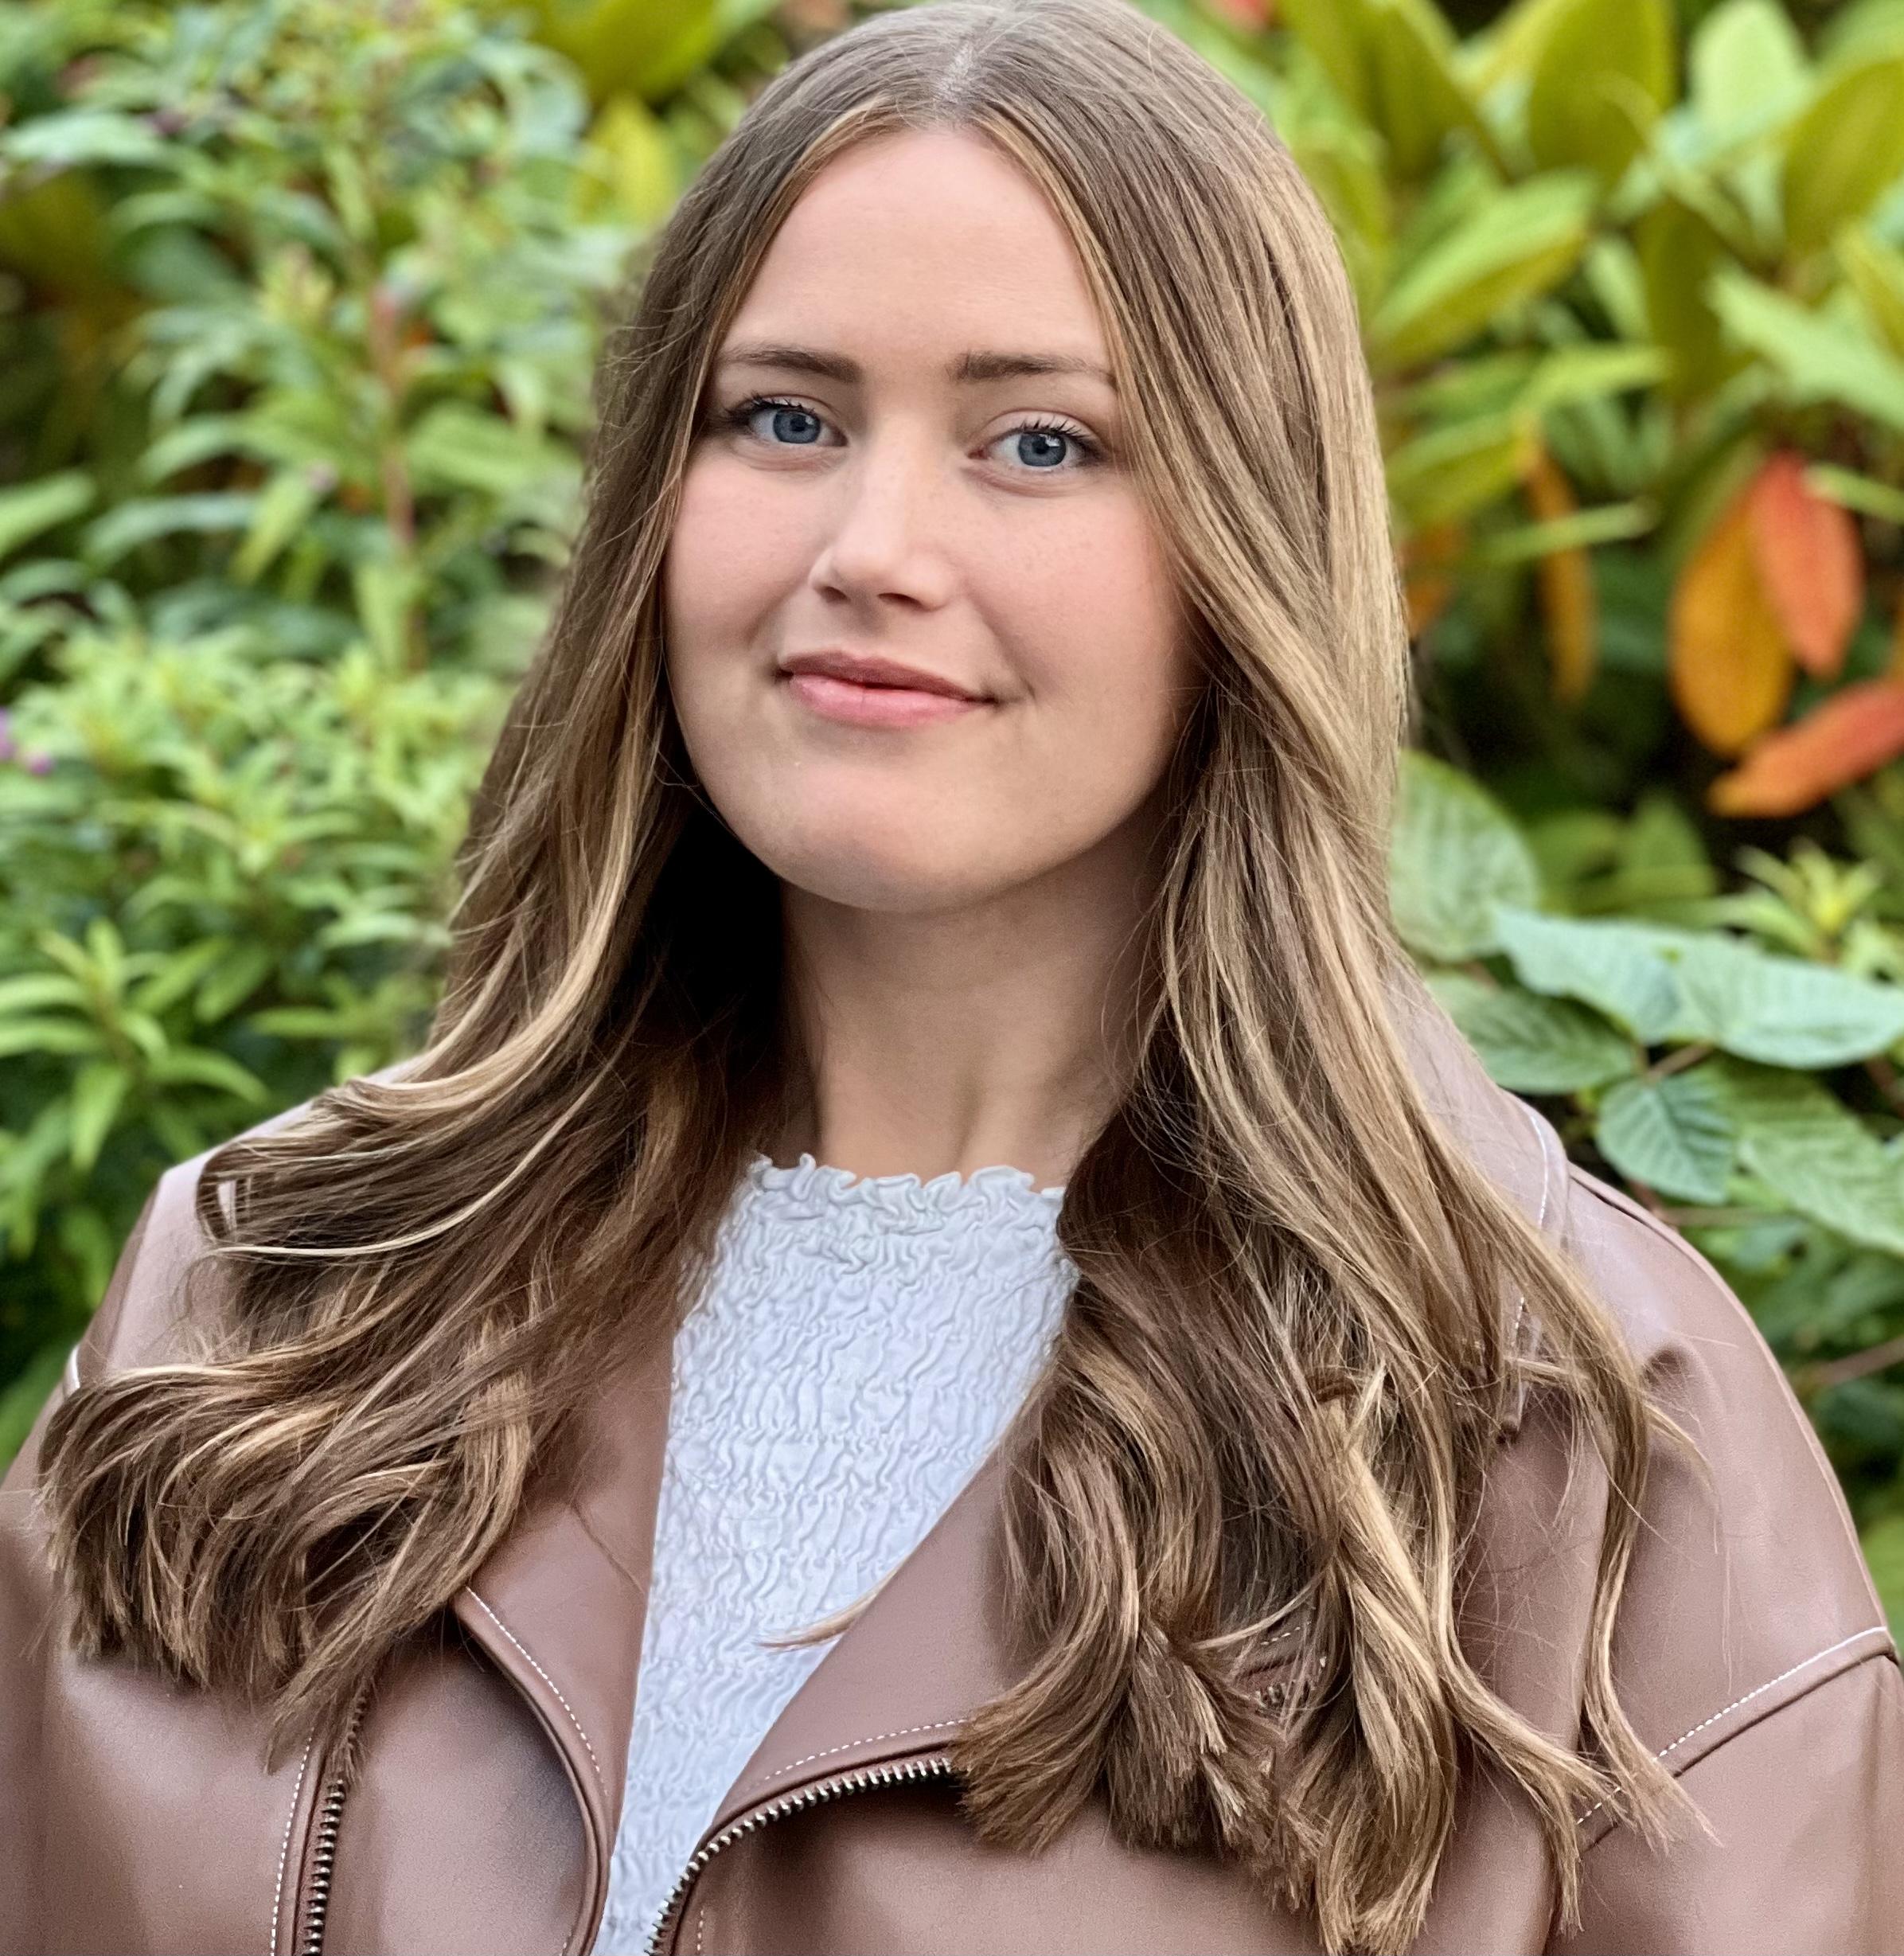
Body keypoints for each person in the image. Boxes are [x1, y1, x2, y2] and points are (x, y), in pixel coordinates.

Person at [4, 2, 1901, 1950]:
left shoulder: (1562, 1435)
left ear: (1246, 547)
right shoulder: (266, 1298)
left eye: (1039, 442)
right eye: (785, 417)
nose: (873, 546)